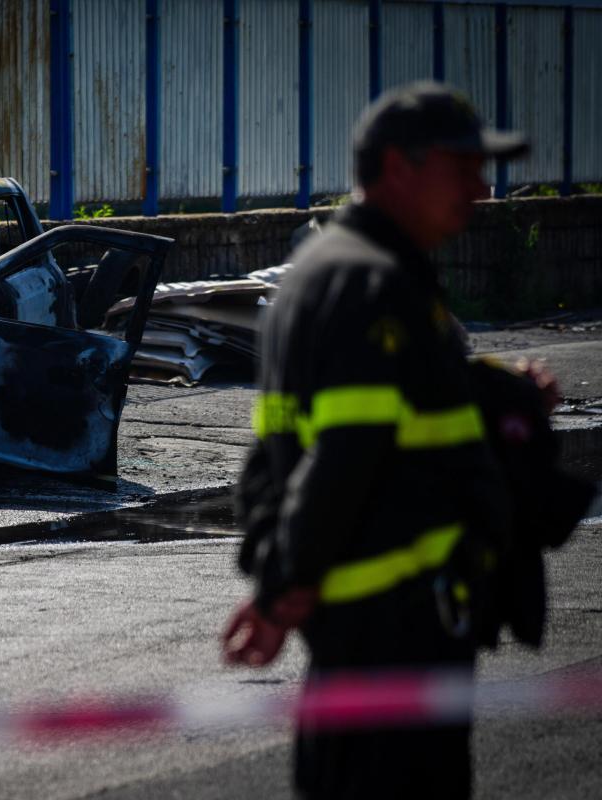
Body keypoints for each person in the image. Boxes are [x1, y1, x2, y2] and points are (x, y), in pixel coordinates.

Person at [220, 82, 594, 799]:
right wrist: (280, 594)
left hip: (374, 633)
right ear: (399, 167)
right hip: (392, 631)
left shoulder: (327, 276)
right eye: (463, 169)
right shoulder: (374, 285)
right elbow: (346, 451)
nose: (482, 191)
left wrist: (502, 391)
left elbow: (287, 449)